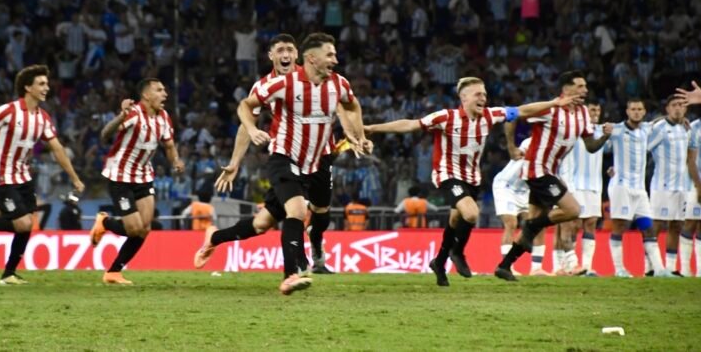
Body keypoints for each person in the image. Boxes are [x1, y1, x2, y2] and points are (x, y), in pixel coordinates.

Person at [365, 76, 580, 286]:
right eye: (478, 94)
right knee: (471, 213)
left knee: (455, 221)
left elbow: (522, 110)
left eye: (485, 94)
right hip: (447, 175)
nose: (483, 98)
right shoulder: (446, 117)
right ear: (464, 98)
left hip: (472, 178)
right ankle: (457, 253)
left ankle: (439, 263)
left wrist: (553, 103)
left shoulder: (490, 115)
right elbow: (410, 125)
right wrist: (373, 128)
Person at [214, 32, 368, 295]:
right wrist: (235, 161)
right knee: (296, 210)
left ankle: (315, 244)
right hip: (286, 156)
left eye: (290, 50)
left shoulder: (331, 82)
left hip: (320, 157)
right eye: (280, 50)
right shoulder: (276, 85)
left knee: (303, 216)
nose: (285, 55)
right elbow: (245, 117)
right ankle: (293, 271)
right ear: (271, 56)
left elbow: (346, 106)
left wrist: (356, 135)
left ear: (298, 55)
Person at [0, 64, 85, 285]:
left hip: (22, 176)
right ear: (28, 87)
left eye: (47, 83)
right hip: (2, 175)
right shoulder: (8, 111)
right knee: (23, 224)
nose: (46, 88)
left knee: (27, 224)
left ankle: (9, 273)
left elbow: (57, 149)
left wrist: (74, 177)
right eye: (41, 84)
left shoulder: (43, 117)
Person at [495, 70, 613, 282]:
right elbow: (512, 115)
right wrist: (511, 148)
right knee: (573, 210)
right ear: (566, 89)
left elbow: (591, 146)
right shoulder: (549, 109)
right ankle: (532, 227)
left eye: (585, 86)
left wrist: (604, 136)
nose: (585, 90)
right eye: (580, 86)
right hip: (536, 170)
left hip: (550, 171)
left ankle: (504, 266)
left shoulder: (583, 113)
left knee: (534, 224)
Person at [89, 78, 185, 285]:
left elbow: (169, 146)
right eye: (159, 90)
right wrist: (120, 116)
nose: (165, 94)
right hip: (120, 175)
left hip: (143, 175)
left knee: (145, 228)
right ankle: (104, 222)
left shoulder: (164, 117)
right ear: (146, 95)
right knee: (133, 228)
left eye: (164, 90)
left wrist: (175, 161)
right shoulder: (133, 113)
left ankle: (113, 272)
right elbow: (105, 135)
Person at [606, 99, 670, 277]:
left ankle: (659, 270)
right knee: (620, 226)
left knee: (648, 227)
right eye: (633, 109)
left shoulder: (646, 129)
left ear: (644, 112)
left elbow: (660, 121)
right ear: (627, 111)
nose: (636, 112)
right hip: (621, 187)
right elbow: (601, 145)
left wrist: (677, 118)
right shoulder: (617, 130)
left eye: (639, 109)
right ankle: (619, 269)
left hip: (640, 190)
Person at [554, 99, 606, 276]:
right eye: (592, 109)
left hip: (594, 185)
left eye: (598, 110)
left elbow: (639, 126)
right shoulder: (574, 130)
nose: (595, 113)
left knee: (590, 223)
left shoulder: (603, 131)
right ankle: (566, 265)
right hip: (572, 183)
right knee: (571, 224)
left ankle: (586, 267)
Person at [493, 138, 551, 276]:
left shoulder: (556, 146)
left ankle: (536, 268)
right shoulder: (531, 141)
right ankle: (507, 266)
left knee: (538, 225)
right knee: (511, 223)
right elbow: (519, 155)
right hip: (506, 186)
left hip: (527, 189)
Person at [647, 94, 689, 276]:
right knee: (656, 225)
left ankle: (671, 268)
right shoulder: (659, 128)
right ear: (667, 109)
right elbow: (644, 147)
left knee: (676, 225)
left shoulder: (687, 129)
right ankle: (649, 267)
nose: (678, 108)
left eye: (681, 105)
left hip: (682, 186)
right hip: (661, 185)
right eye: (674, 105)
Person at [682, 117, 701, 277]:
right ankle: (685, 269)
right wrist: (698, 185)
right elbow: (691, 160)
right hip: (693, 185)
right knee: (690, 223)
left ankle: (700, 270)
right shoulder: (694, 127)